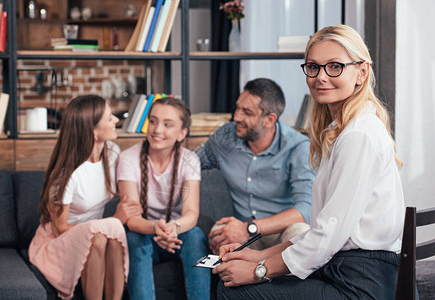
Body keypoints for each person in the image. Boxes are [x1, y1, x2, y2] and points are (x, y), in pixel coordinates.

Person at [213, 24, 405, 300]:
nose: (321, 77)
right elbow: (320, 231)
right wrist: (255, 255)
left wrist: (259, 270)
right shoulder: (342, 131)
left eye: (335, 66)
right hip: (342, 268)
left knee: (236, 292)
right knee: (233, 281)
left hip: (360, 282)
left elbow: (327, 237)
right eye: (313, 67)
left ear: (362, 72)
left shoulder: (359, 135)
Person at [29, 95, 141, 300]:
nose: (116, 120)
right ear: (93, 132)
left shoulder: (112, 154)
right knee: (101, 234)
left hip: (96, 233)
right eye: (109, 118)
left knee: (110, 234)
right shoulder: (67, 174)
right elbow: (59, 228)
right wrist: (115, 220)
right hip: (58, 242)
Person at [195, 78, 314, 253]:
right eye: (237, 108)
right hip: (246, 235)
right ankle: (245, 276)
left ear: (269, 119)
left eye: (247, 112)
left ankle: (281, 277)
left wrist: (250, 227)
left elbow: (305, 209)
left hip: (281, 232)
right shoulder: (225, 138)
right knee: (219, 233)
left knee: (302, 233)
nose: (236, 117)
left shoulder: (298, 147)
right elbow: (189, 164)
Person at [117, 97, 210, 300]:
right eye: (153, 121)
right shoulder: (127, 159)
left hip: (177, 234)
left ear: (182, 133)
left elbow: (191, 213)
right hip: (146, 232)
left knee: (195, 235)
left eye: (167, 124)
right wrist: (155, 228)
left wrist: (172, 229)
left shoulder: (190, 160)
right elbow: (131, 219)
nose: (157, 130)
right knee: (133, 238)